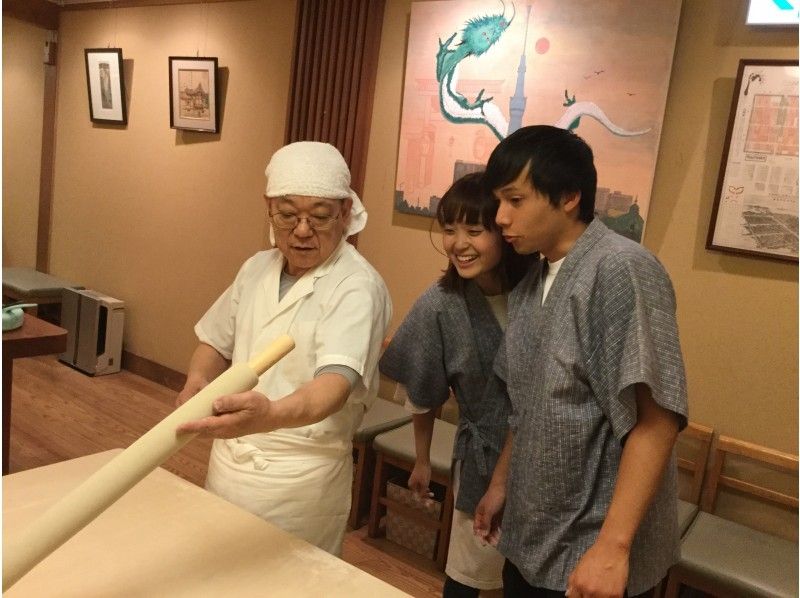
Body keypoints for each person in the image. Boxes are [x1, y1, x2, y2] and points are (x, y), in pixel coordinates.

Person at [473, 125, 688, 598]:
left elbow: (657, 420)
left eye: (515, 200)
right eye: (498, 201)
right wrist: (500, 484)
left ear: (569, 196)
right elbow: (526, 402)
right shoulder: (535, 277)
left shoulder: (621, 268)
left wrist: (613, 549)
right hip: (533, 532)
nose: (500, 218)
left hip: (592, 546)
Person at [176, 141, 392, 556]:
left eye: (320, 216)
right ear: (268, 209)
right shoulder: (257, 268)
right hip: (229, 463)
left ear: (345, 213)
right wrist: (197, 382)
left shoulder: (356, 286)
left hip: (299, 482)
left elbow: (333, 385)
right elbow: (215, 340)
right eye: (288, 215)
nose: (303, 230)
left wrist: (270, 415)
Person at [380, 172, 532, 597]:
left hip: (539, 460)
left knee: (529, 577)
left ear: (503, 231)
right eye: (449, 229)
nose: (458, 243)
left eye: (474, 229)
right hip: (482, 457)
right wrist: (423, 460)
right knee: (468, 572)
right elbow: (424, 388)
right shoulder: (440, 304)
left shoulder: (539, 292)